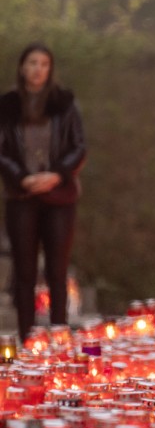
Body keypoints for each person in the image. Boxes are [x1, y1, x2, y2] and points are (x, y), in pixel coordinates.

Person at [0, 43, 86, 343]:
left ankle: (59, 339)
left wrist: (56, 175)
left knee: (57, 271)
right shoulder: (7, 105)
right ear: (22, 67)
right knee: (24, 271)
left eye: (44, 63)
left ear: (50, 69)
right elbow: (3, 150)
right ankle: (27, 341)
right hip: (21, 196)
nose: (38, 69)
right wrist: (23, 178)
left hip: (59, 196)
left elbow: (79, 146)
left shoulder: (65, 103)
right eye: (32, 62)